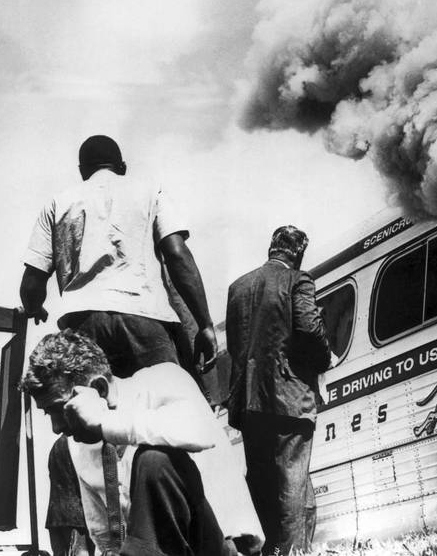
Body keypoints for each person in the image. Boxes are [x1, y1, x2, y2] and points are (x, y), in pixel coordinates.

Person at [19, 134, 219, 552]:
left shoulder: (59, 202)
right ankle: (200, 533)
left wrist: (35, 308)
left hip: (82, 323)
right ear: (121, 165)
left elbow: (32, 281)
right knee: (171, 415)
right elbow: (177, 254)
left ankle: (109, 543)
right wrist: (203, 324)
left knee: (88, 434)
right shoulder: (148, 189)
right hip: (144, 318)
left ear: (82, 170)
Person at [20, 329, 262, 556]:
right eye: (47, 413)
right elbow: (104, 537)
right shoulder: (77, 443)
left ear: (99, 389)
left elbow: (201, 433)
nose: (57, 427)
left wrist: (106, 422)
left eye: (59, 409)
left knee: (154, 461)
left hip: (215, 546)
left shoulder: (163, 380)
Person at [226, 225, 332, 556]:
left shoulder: (237, 288)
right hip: (288, 398)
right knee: (291, 479)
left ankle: (266, 550)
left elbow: (235, 345)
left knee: (261, 481)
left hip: (248, 401)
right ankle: (292, 553)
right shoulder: (298, 280)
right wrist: (323, 359)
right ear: (298, 254)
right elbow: (309, 330)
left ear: (272, 248)